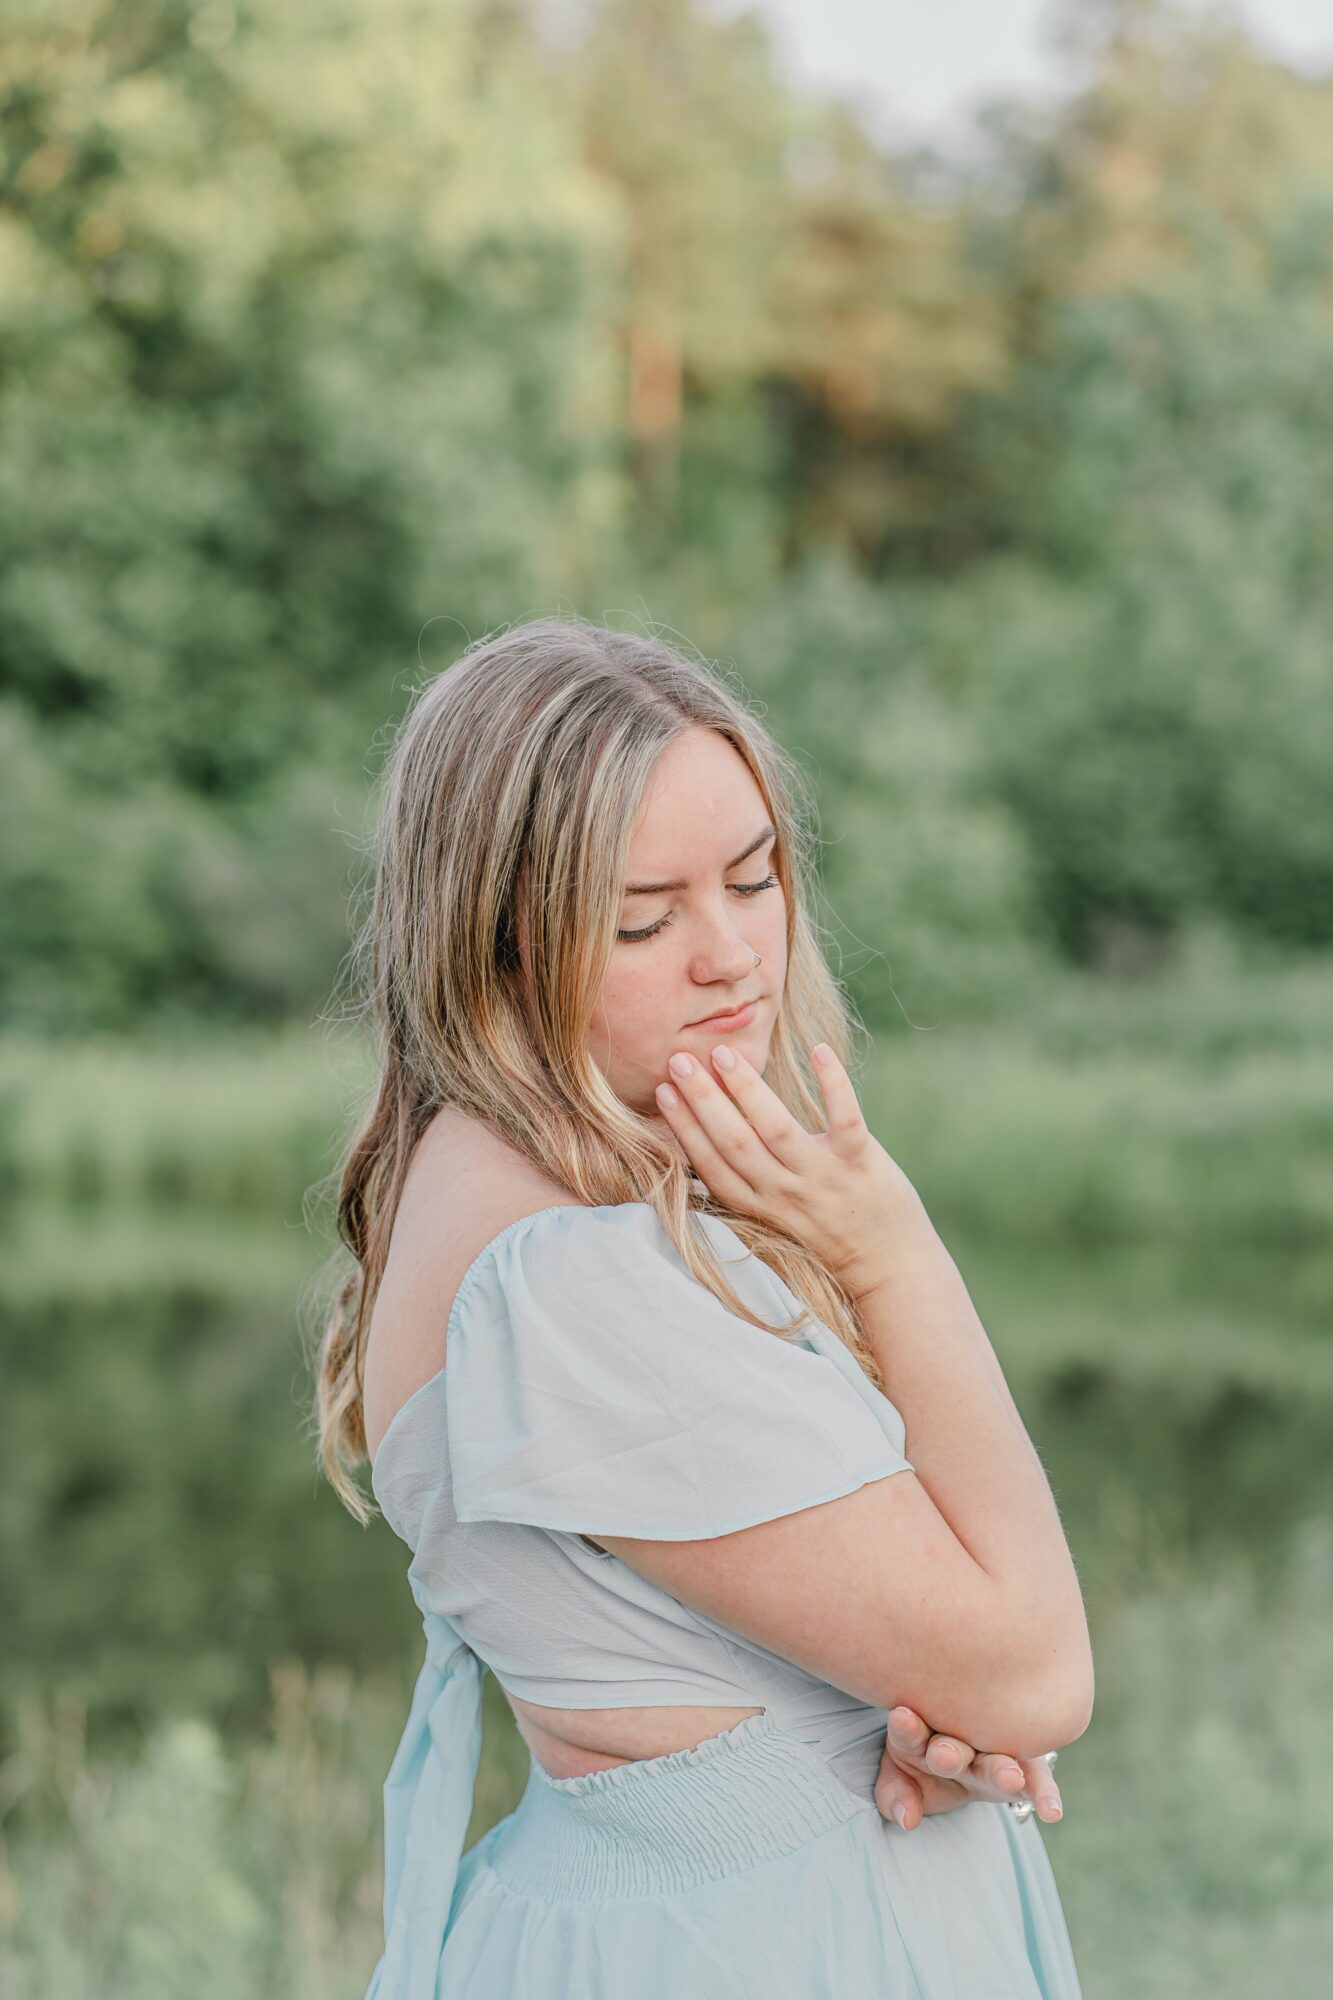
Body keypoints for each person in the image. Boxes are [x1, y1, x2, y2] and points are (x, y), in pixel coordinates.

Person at [312, 615, 1093, 1998]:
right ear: (499, 939)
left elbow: (911, 1659)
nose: (732, 953)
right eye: (644, 918)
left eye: (751, 878)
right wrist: (893, 1253)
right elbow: (1034, 1672)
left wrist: (903, 1708)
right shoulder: (564, 1280)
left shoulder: (530, 1193)